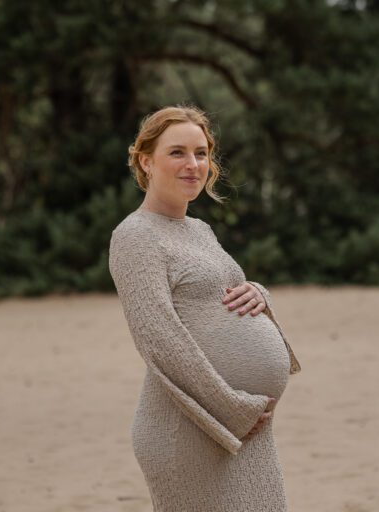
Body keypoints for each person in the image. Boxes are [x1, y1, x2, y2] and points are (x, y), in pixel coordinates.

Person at [108, 104, 301, 512]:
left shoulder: (200, 230)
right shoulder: (135, 236)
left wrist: (260, 293)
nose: (193, 164)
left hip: (243, 427)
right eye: (177, 152)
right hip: (194, 424)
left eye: (201, 152)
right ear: (146, 160)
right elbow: (158, 338)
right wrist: (230, 407)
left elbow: (227, 294)